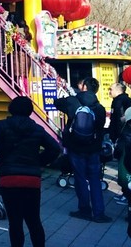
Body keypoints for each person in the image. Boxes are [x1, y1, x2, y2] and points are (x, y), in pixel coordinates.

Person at [0, 96, 61, 247]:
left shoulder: (3, 126)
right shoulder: (37, 128)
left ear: (11, 109)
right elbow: (56, 148)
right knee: (34, 220)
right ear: (30, 111)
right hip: (31, 179)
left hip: (9, 177)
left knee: (15, 221)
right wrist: (39, 161)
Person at [54, 76, 110, 222]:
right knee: (95, 179)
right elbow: (100, 127)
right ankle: (99, 213)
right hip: (93, 148)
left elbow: (56, 103)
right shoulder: (100, 108)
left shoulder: (73, 101)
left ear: (84, 87)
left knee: (79, 177)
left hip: (76, 146)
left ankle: (84, 210)